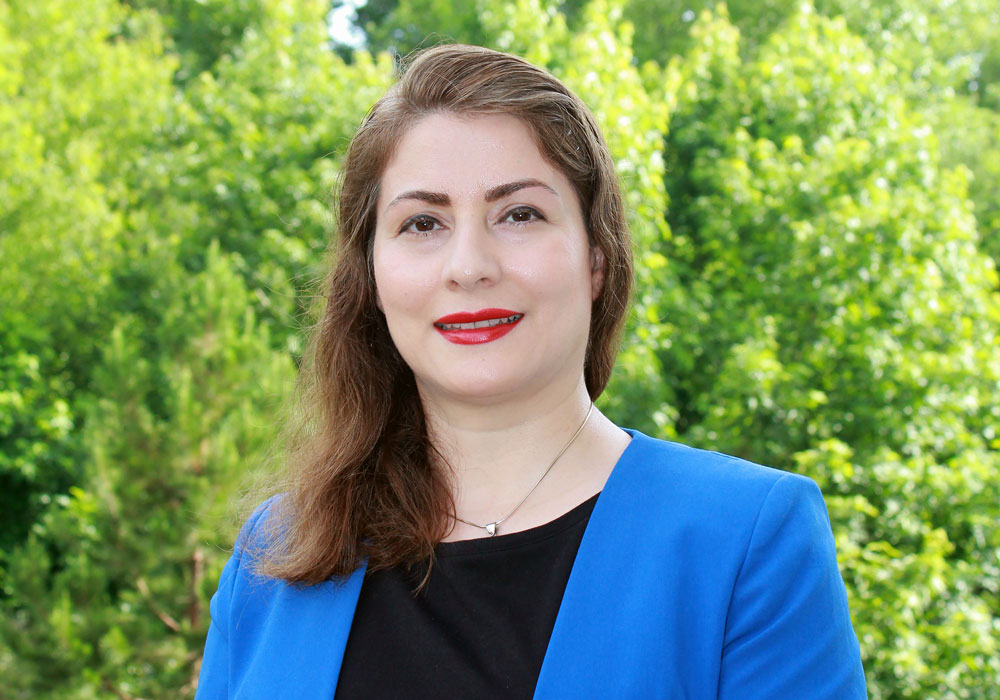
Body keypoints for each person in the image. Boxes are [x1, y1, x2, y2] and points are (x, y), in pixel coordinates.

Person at [194, 44, 867, 699]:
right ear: (370, 276)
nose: (469, 265)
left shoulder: (747, 540)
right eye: (423, 223)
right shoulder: (274, 558)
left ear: (596, 261)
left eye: (519, 214)